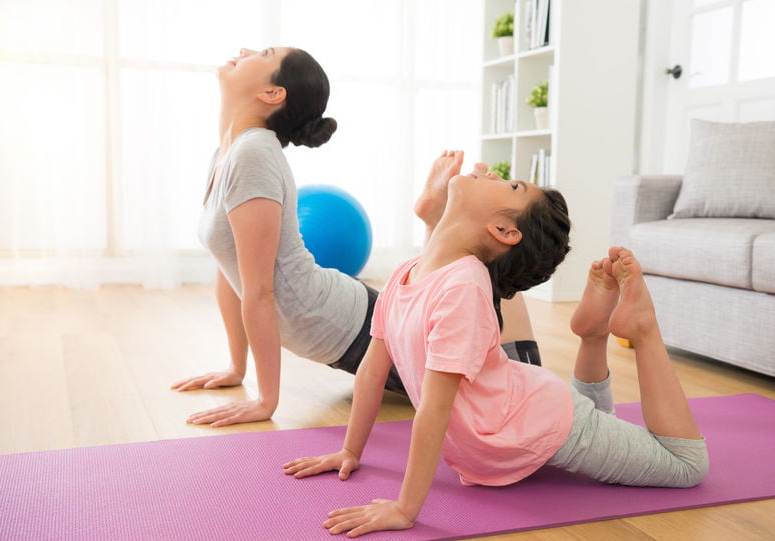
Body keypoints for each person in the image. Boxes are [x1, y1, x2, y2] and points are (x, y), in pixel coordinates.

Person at [283, 170, 709, 538]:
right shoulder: (405, 273)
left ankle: (643, 329)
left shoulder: (462, 287)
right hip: (513, 421)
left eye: (511, 185)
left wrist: (404, 509)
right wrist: (350, 452)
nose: (492, 175)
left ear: (505, 231)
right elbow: (373, 370)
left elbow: (433, 408)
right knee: (606, 424)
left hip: (542, 423)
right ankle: (592, 335)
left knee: (687, 466)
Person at [170, 46, 543, 426]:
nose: (246, 51)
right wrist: (237, 366)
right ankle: (437, 221)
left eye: (263, 53)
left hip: (349, 325)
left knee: (510, 398)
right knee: (470, 357)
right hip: (343, 317)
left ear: (272, 93)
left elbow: (260, 291)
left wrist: (266, 401)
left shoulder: (253, 155)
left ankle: (442, 222)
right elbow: (228, 265)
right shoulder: (229, 153)